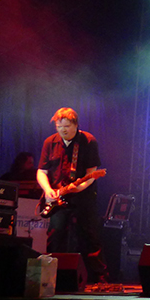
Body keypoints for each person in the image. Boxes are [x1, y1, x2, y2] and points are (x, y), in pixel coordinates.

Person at [36, 108, 108, 282]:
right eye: (59, 126)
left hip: (83, 196)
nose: (63, 130)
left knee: (89, 235)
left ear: (76, 125)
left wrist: (79, 188)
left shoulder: (88, 141)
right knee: (55, 235)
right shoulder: (50, 142)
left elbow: (92, 173)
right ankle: (53, 278)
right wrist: (47, 190)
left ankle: (99, 279)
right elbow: (41, 171)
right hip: (57, 197)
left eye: (67, 126)